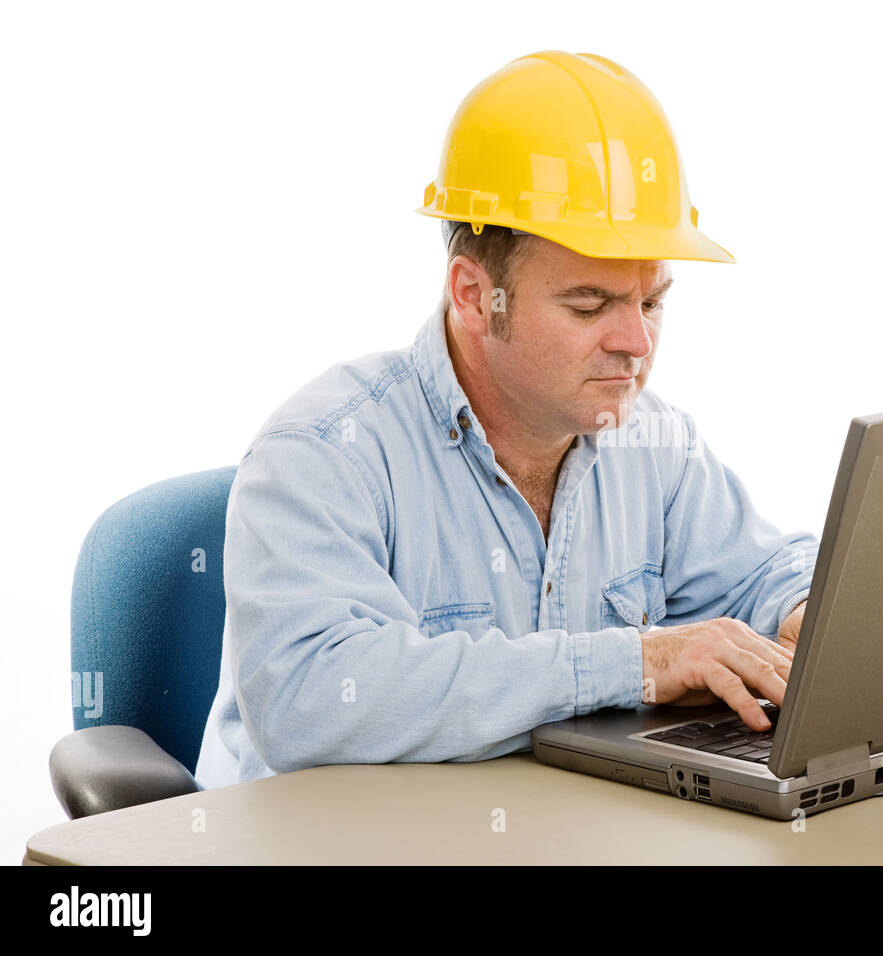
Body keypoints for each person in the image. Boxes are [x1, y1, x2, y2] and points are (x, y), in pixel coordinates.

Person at [195, 51, 818, 788]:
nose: (637, 343)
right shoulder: (327, 452)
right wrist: (636, 662)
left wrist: (808, 611)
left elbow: (763, 572)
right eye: (589, 305)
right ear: (472, 295)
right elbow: (308, 698)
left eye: (652, 301)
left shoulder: (655, 444)